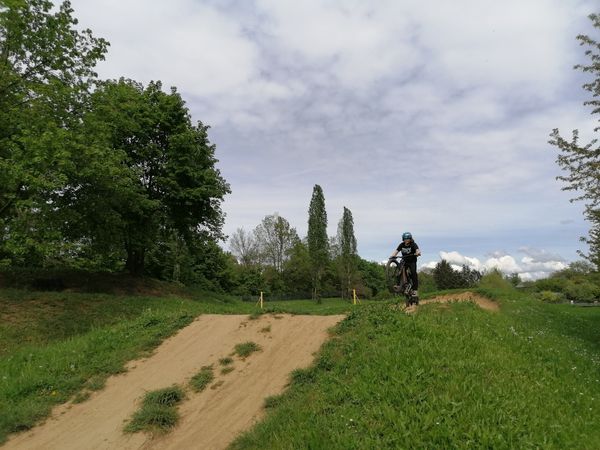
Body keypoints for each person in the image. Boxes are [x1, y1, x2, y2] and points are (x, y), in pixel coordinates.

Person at [389, 231, 421, 298]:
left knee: (413, 273)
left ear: (410, 239)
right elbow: (396, 251)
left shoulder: (413, 244)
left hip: (412, 261)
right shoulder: (401, 245)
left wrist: (417, 253)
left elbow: (417, 250)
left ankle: (415, 290)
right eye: (405, 239)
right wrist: (392, 256)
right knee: (399, 271)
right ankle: (399, 285)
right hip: (404, 260)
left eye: (408, 239)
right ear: (403, 239)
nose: (406, 240)